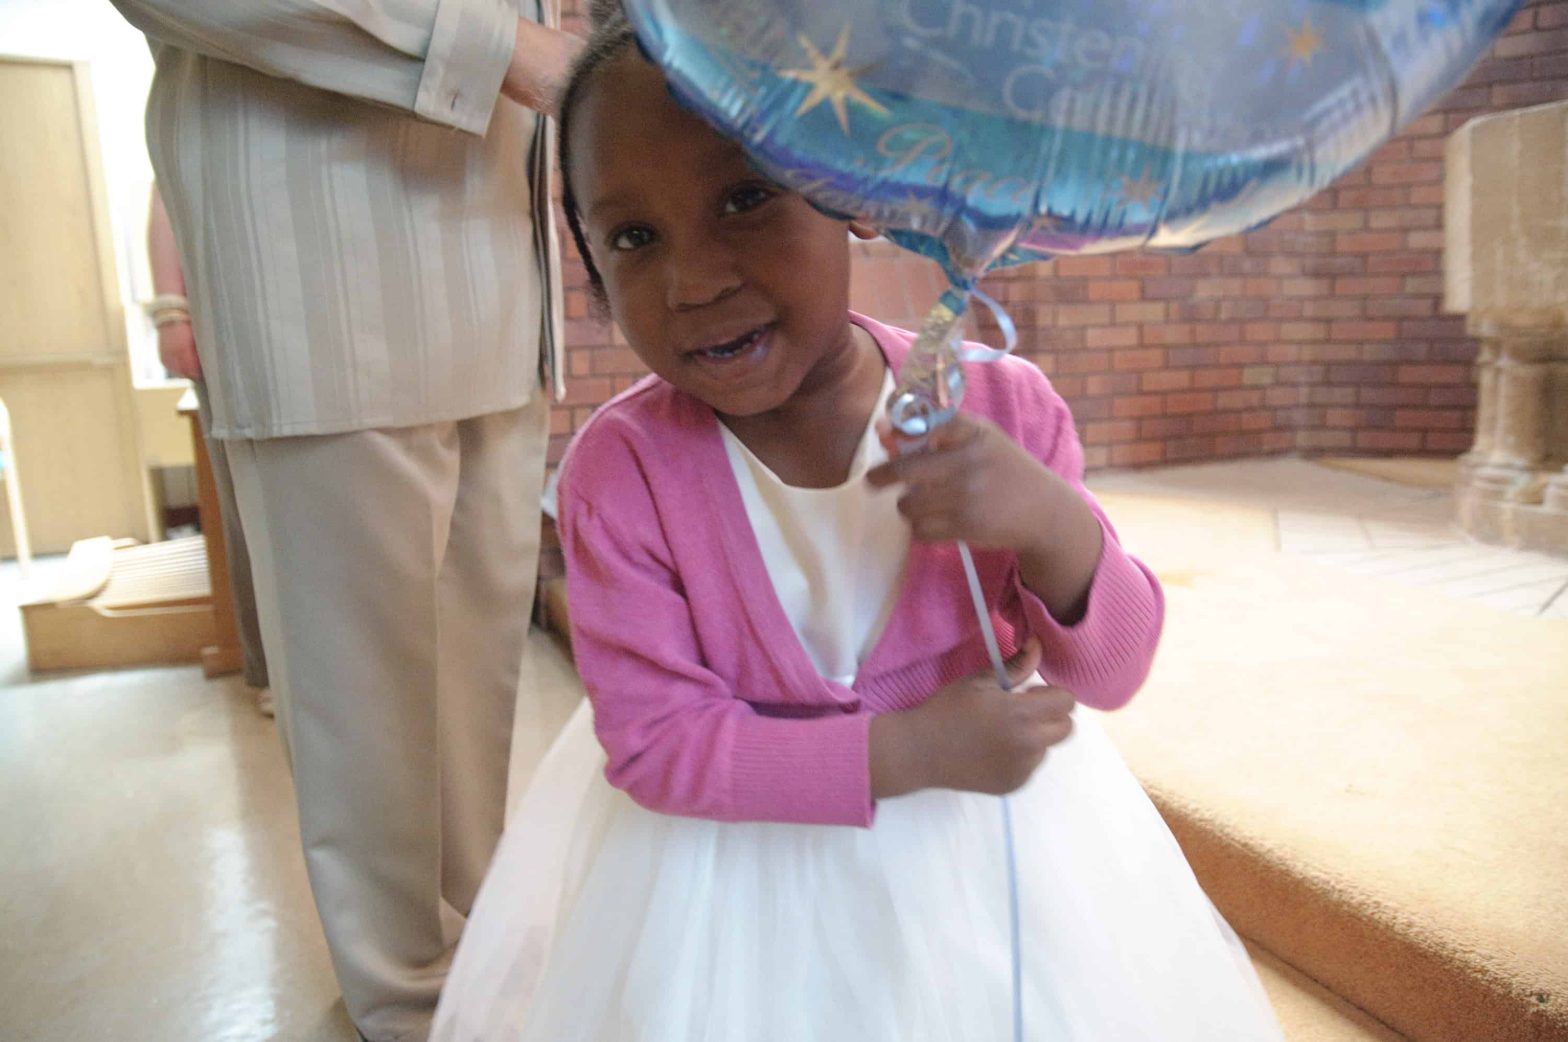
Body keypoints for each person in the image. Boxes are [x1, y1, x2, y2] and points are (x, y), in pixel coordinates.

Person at [431, 20, 1286, 1042]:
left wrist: (1051, 524)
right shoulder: (620, 476)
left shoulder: (1002, 411)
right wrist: (902, 750)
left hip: (984, 857)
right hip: (726, 883)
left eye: (744, 199)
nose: (692, 280)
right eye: (632, 238)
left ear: (853, 199)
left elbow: (1112, 669)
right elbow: (659, 743)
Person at [106, 2, 580, 1039]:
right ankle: (407, 1005)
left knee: (471, 689)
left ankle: (473, 969)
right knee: (365, 707)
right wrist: (507, 52)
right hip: (323, 263)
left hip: (498, 261)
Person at [146, 186, 273, 716]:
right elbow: (168, 188)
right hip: (228, 316)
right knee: (250, 505)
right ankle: (272, 669)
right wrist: (171, 313)